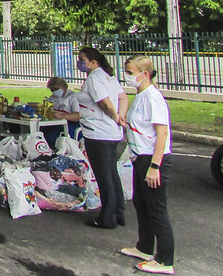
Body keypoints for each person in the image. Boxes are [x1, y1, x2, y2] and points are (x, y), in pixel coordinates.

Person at [119, 55, 175, 275]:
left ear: (145, 74)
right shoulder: (140, 95)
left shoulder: (153, 97)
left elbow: (162, 133)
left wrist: (155, 166)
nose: (127, 76)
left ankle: (164, 260)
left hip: (152, 160)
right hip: (140, 158)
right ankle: (144, 247)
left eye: (130, 73)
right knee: (142, 204)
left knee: (157, 210)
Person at [75, 46, 128, 229]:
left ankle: (107, 217)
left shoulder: (94, 78)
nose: (79, 63)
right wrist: (120, 117)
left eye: (82, 59)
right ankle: (118, 212)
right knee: (112, 173)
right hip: (110, 132)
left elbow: (104, 103)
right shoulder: (108, 77)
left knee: (104, 175)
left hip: (98, 132)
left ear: (93, 62)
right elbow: (123, 98)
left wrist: (116, 116)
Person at [42, 76, 80, 148]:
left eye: (56, 89)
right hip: (55, 123)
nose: (54, 92)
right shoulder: (52, 98)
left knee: (51, 136)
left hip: (70, 124)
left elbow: (79, 115)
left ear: (64, 87)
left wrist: (62, 116)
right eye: (52, 90)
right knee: (40, 131)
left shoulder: (73, 97)